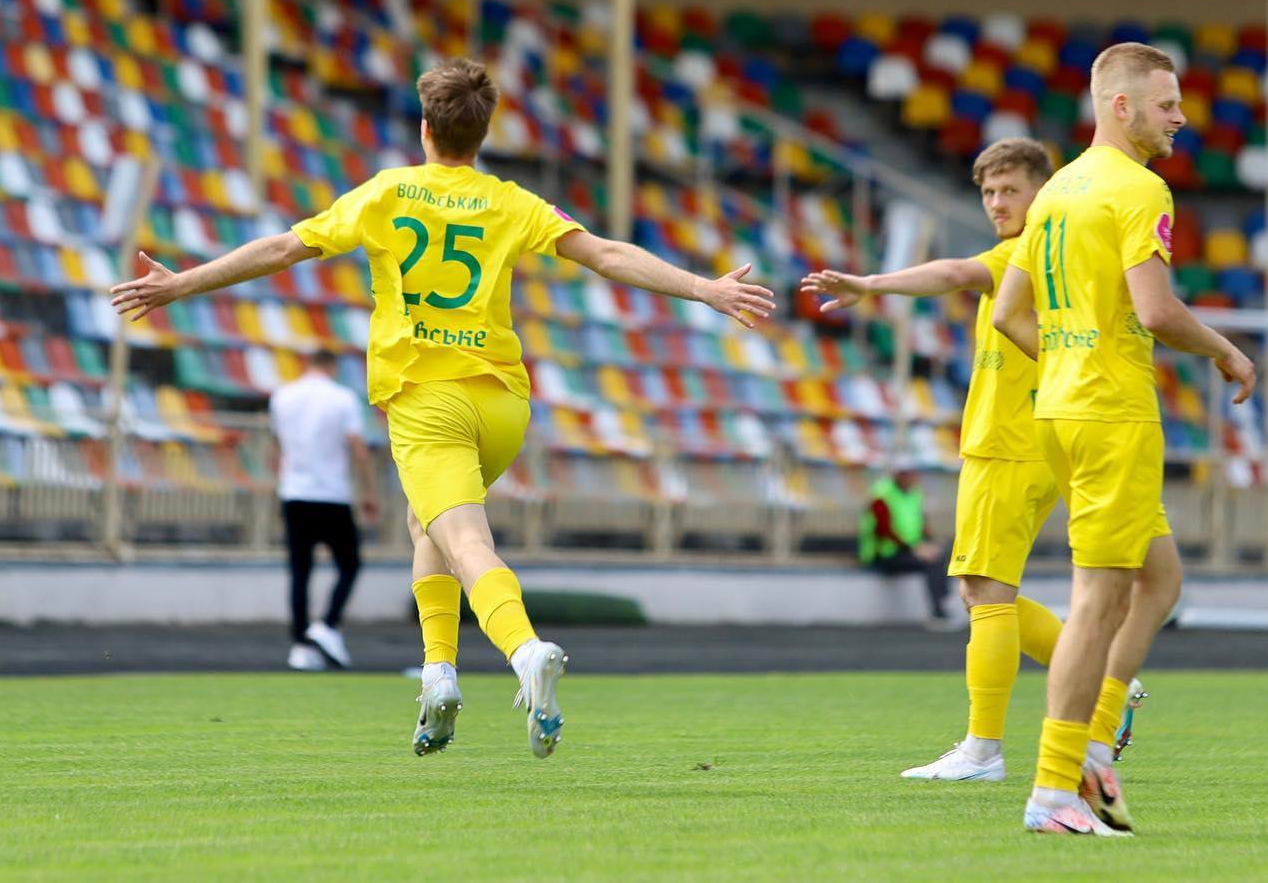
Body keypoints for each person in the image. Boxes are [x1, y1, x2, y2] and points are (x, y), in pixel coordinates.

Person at [109, 57, 775, 759]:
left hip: (427, 402)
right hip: (504, 406)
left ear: (425, 129)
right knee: (424, 519)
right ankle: (437, 680)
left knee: (465, 542)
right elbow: (607, 254)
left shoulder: (387, 192)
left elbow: (281, 248)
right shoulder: (510, 201)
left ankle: (525, 652)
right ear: (481, 135)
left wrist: (181, 285)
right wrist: (704, 288)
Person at [993, 42, 1255, 835]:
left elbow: (1007, 314)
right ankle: (1053, 790)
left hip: (1061, 409)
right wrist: (1228, 351)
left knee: (1158, 580)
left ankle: (1097, 743)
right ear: (1121, 106)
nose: (1181, 118)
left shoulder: (1057, 191)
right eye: (1167, 105)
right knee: (1097, 600)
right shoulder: (1140, 188)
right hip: (1112, 414)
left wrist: (1069, 366)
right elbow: (1158, 311)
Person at [807, 138, 1070, 779]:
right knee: (984, 590)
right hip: (1034, 440)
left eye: (1011, 190)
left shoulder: (1024, 252)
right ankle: (1102, 681)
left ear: (1043, 191)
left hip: (1008, 443)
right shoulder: (1063, 253)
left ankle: (985, 750)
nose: (997, 203)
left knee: (986, 592)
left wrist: (871, 283)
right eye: (988, 192)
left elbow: (953, 273)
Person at [270, 347, 379, 672]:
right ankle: (328, 624)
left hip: (294, 492)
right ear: (332, 366)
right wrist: (369, 491)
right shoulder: (343, 398)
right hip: (332, 494)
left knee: (299, 571)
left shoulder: (282, 396)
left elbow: (276, 445)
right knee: (349, 564)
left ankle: (300, 646)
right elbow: (358, 449)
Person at [858, 463, 952, 625]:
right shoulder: (881, 495)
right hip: (884, 554)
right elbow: (883, 531)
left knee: (941, 553)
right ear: (897, 475)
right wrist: (916, 549)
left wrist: (930, 544)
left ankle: (942, 602)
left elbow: (920, 523)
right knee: (932, 562)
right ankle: (938, 611)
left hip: (907, 550)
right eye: (906, 474)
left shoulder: (914, 493)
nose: (911, 478)